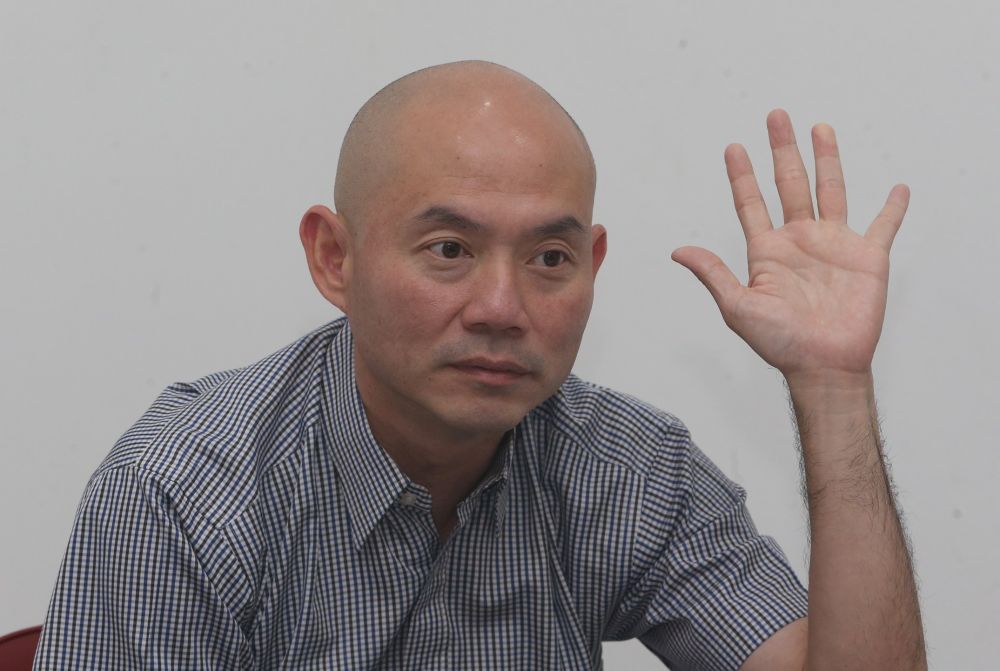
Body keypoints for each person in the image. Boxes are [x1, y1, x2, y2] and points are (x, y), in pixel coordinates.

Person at [33, 60, 926, 670]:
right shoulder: (185, 494)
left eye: (548, 259)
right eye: (450, 247)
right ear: (333, 258)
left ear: (593, 268)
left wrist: (834, 388)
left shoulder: (627, 471)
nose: (503, 308)